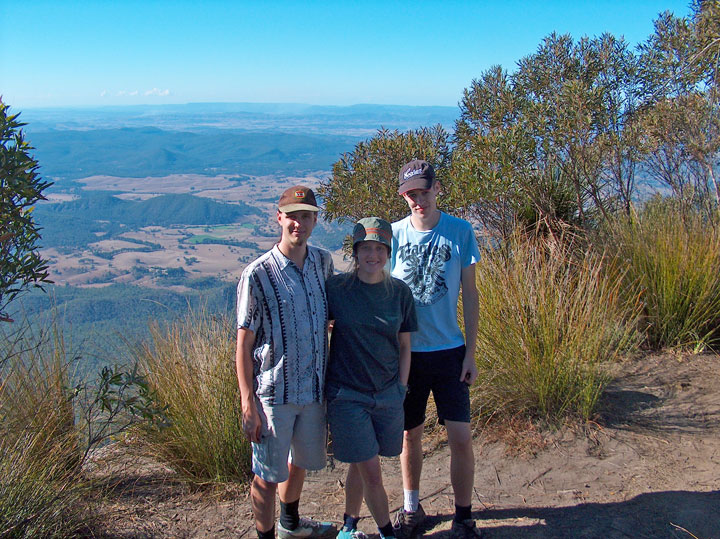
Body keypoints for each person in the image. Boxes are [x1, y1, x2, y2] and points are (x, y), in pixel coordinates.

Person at [236, 185, 337, 539]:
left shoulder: (324, 263)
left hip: (312, 390)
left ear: (314, 220)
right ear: (279, 218)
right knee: (266, 476)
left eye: (306, 216)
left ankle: (290, 524)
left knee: (300, 463)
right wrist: (248, 401)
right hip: (273, 394)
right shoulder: (257, 274)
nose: (299, 223)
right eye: (292, 216)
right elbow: (244, 343)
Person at [390, 160, 482, 538]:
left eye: (424, 192)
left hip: (449, 351)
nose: (418, 200)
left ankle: (463, 516)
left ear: (437, 189)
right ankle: (411, 508)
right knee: (410, 434)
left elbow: (471, 296)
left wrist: (471, 353)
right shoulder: (392, 235)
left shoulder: (459, 232)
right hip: (407, 354)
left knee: (460, 437)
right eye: (411, 194)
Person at [325, 217, 417, 539]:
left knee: (361, 462)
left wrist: (401, 388)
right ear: (355, 251)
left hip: (388, 394)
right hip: (347, 395)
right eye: (366, 248)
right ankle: (386, 532)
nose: (373, 255)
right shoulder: (337, 289)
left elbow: (405, 345)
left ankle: (348, 527)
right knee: (372, 472)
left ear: (388, 251)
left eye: (379, 248)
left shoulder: (399, 293)